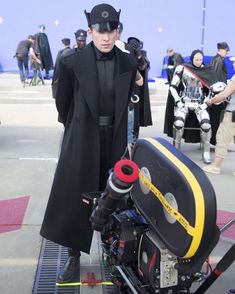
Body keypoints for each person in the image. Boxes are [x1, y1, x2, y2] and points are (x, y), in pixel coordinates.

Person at [40, 3, 139, 283]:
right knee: (77, 197)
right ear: (90, 31)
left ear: (118, 32)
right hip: (83, 136)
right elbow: (63, 101)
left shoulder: (130, 63)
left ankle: (115, 252)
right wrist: (75, 128)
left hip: (115, 138)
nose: (106, 37)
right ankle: (73, 256)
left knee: (115, 196)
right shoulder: (71, 62)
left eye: (111, 31)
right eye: (100, 31)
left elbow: (131, 102)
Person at [163, 49, 218, 164]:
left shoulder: (206, 71)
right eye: (196, 59)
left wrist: (205, 103)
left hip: (200, 103)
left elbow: (211, 90)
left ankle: (206, 152)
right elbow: (173, 87)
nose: (198, 61)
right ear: (192, 58)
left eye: (201, 59)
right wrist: (178, 101)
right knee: (178, 124)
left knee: (206, 125)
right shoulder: (183, 68)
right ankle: (176, 151)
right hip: (184, 101)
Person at [203, 56, 235, 175]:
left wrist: (210, 101)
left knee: (222, 139)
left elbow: (224, 95)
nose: (233, 64)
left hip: (232, 114)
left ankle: (216, 167)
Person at [209, 41, 230, 145]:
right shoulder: (218, 61)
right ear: (220, 50)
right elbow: (217, 80)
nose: (227, 52)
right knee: (217, 119)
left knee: (215, 119)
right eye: (226, 50)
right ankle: (215, 142)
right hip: (218, 94)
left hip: (217, 93)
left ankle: (214, 141)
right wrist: (221, 95)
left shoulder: (216, 60)